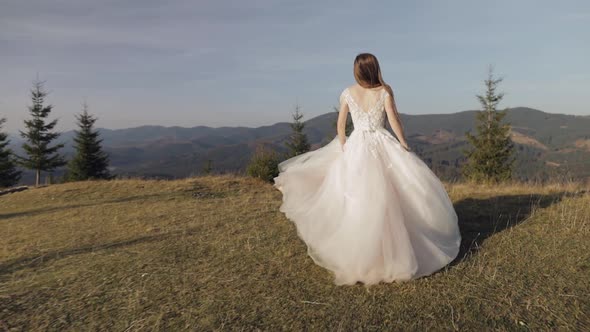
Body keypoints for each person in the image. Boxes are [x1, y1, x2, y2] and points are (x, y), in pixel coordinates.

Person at [273, 53, 461, 286]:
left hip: (357, 144)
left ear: (357, 71)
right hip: (382, 142)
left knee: (357, 197)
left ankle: (360, 249)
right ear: (375, 69)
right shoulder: (384, 91)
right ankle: (392, 248)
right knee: (394, 191)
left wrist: (344, 147)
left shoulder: (348, 93)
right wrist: (403, 144)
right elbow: (393, 121)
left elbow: (341, 125)